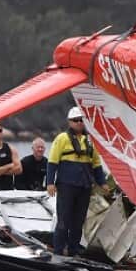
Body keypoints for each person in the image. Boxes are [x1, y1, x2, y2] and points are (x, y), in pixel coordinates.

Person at [46, 107, 106, 257]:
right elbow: (52, 162)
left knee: (78, 222)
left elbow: (97, 165)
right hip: (66, 186)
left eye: (81, 120)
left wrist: (103, 183)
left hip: (84, 186)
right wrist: (50, 183)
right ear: (69, 122)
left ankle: (73, 250)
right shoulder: (62, 139)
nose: (79, 123)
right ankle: (58, 252)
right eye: (76, 120)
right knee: (63, 221)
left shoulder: (90, 141)